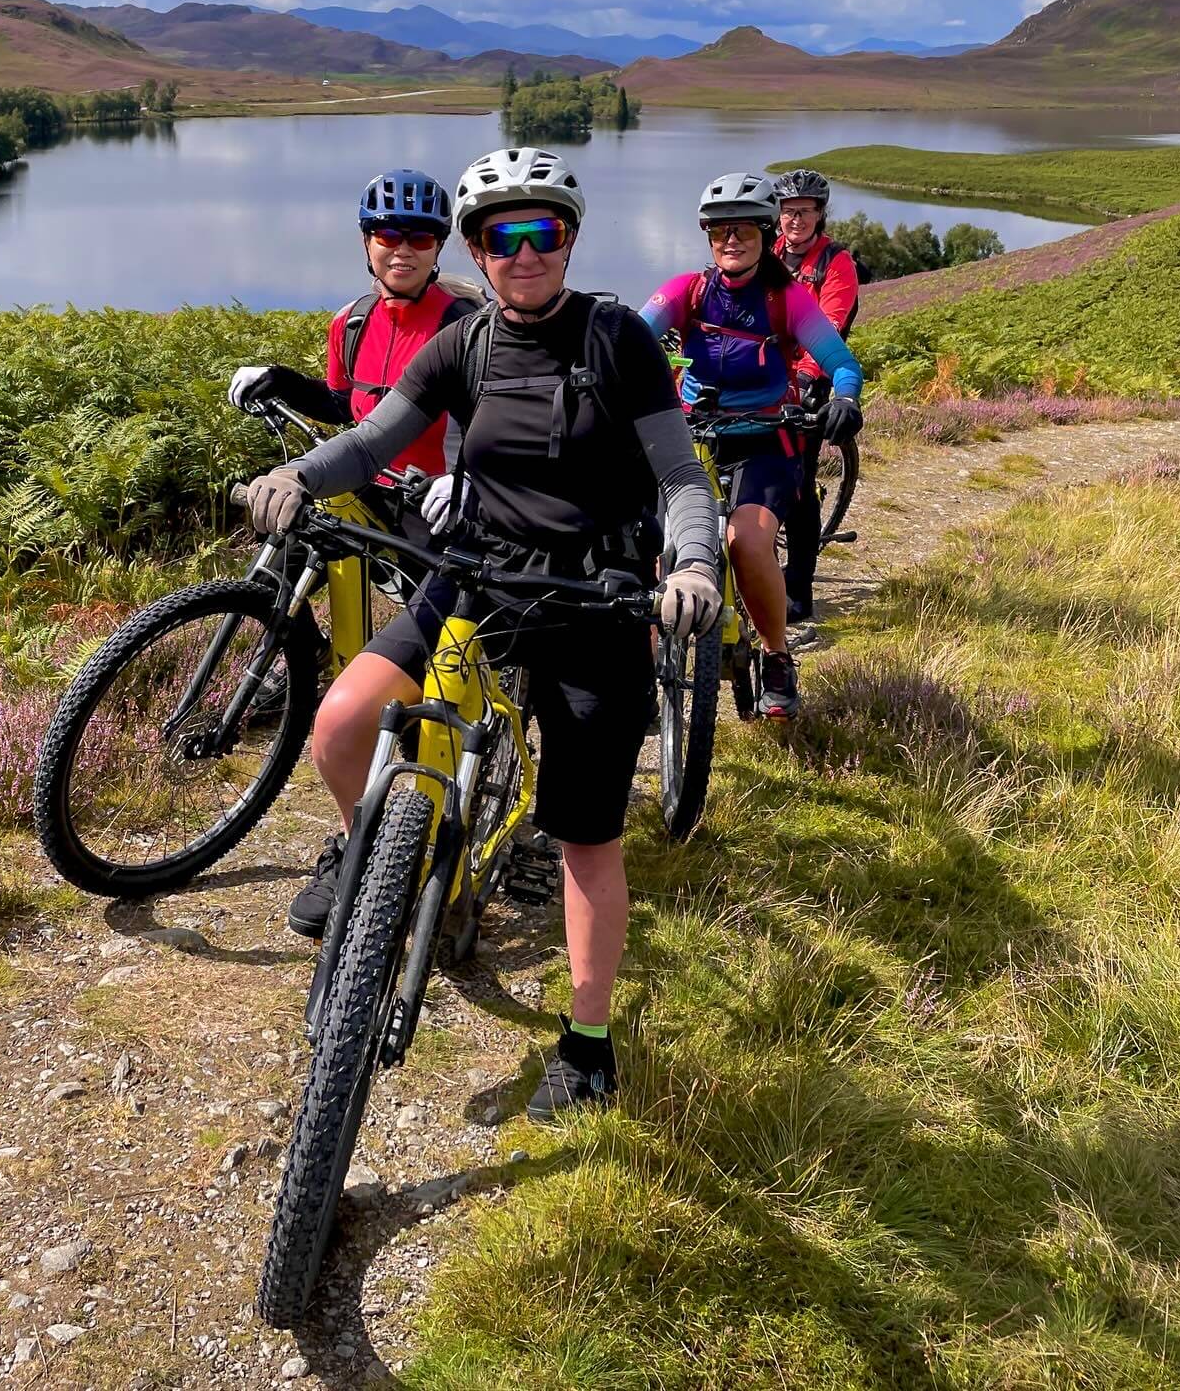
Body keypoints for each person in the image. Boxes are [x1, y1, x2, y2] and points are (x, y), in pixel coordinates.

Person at [245, 147, 721, 1120]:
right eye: (502, 236)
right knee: (340, 728)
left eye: (543, 231)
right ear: (477, 247)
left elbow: (677, 478)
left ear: (571, 238)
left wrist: (695, 565)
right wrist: (301, 479)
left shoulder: (618, 338)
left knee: (585, 836)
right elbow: (375, 440)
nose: (524, 251)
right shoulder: (464, 347)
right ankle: (384, 875)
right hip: (472, 579)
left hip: (596, 601)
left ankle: (587, 1044)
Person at [640, 171, 863, 719]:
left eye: (743, 229)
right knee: (648, 545)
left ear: (765, 234)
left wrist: (845, 400)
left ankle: (777, 656)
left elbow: (842, 363)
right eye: (719, 231)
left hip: (765, 437)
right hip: (690, 434)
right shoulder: (687, 290)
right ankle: (641, 673)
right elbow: (632, 336)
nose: (731, 240)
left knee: (746, 541)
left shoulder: (786, 299)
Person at [226, 168, 477, 482]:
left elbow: (499, 431)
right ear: (366, 242)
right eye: (388, 235)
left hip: (445, 506)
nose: (403, 249)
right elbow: (340, 405)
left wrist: (466, 482)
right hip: (370, 493)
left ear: (438, 247)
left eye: (421, 238)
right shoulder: (351, 323)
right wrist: (282, 381)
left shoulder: (466, 328)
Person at [772, 169, 862, 625]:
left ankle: (799, 587)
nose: (794, 221)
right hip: (761, 374)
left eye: (804, 212)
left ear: (820, 214)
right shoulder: (767, 252)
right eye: (788, 212)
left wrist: (806, 378)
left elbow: (829, 326)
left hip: (811, 377)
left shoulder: (835, 263)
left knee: (796, 486)